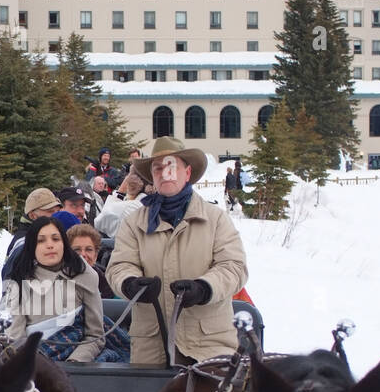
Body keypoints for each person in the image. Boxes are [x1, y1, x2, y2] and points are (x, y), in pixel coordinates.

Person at [106, 136, 248, 366]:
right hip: (152, 347)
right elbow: (119, 266)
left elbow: (234, 267)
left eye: (171, 166)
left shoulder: (215, 219)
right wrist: (131, 283)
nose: (164, 173)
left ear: (187, 172)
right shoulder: (133, 222)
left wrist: (204, 288)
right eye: (158, 168)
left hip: (208, 345)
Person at [0, 217, 105, 363]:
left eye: (55, 239)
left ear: (64, 244)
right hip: (32, 366)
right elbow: (14, 339)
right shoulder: (18, 279)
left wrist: (75, 362)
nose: (50, 245)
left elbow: (95, 336)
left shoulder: (85, 274)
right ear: (32, 246)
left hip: (77, 365)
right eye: (41, 240)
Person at [1, 187, 61, 279]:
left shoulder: (45, 235)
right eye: (50, 211)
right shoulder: (25, 243)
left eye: (57, 211)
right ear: (32, 215)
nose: (56, 215)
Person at [95, 169, 147, 237]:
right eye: (99, 184)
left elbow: (99, 222)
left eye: (102, 184)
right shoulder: (150, 204)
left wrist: (120, 192)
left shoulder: (127, 207)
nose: (101, 185)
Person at [66, 222, 110, 296]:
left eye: (88, 249)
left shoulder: (108, 285)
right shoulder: (55, 283)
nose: (83, 254)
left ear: (95, 255)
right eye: (77, 249)